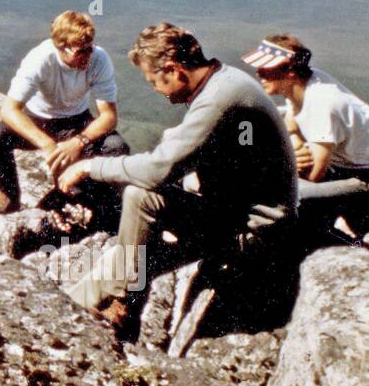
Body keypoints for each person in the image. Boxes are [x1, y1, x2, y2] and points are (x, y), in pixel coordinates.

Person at [56, 23, 297, 334]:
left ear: (173, 69)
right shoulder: (223, 82)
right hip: (232, 213)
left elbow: (159, 168)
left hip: (254, 230)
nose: (156, 89)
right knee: (134, 248)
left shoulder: (219, 97)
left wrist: (91, 167)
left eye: (154, 80)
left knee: (138, 217)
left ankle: (113, 306)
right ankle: (76, 310)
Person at [246, 34, 369, 236]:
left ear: (290, 72)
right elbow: (292, 126)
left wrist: (295, 170)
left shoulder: (322, 102)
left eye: (266, 70)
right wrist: (297, 151)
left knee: (295, 194)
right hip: (355, 166)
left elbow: (317, 173)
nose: (258, 73)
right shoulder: (303, 83)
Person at [0, 11, 129, 218]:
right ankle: (9, 197)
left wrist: (78, 142)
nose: (87, 56)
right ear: (60, 46)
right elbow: (9, 109)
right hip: (40, 119)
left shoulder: (99, 59)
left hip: (77, 121)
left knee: (116, 146)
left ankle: (107, 206)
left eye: (90, 48)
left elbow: (109, 117)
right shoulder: (40, 59)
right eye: (80, 51)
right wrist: (47, 145)